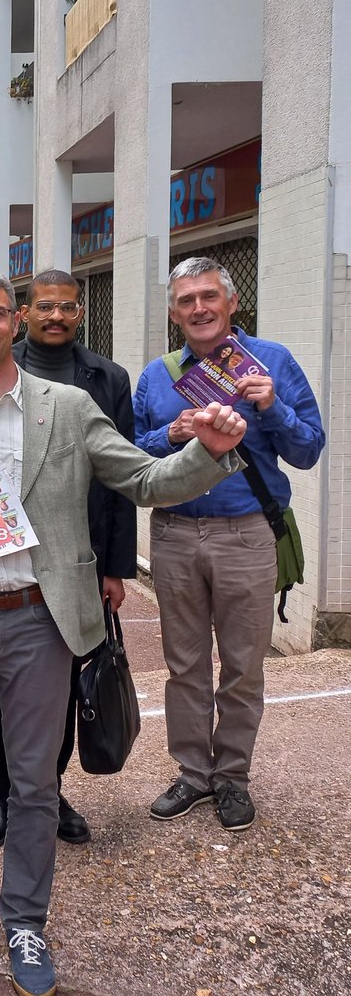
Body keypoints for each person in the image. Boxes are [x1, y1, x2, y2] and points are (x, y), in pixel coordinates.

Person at [0, 266, 248, 996]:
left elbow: (143, 480)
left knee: (37, 783)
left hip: (39, 622)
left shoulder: (69, 408)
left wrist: (206, 450)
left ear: (13, 322)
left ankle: (24, 922)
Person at [134, 257, 325, 832]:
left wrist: (273, 406)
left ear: (231, 301)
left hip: (246, 532)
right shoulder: (157, 375)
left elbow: (310, 449)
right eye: (186, 300)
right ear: (173, 313)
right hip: (173, 531)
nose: (198, 308)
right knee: (184, 664)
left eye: (208, 296)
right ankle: (194, 774)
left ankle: (233, 777)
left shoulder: (273, 363)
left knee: (243, 666)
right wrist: (173, 432)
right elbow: (132, 453)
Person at [0, 269, 137, 849]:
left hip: (77, 558)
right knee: (1, 687)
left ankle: (48, 786)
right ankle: (1, 791)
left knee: (66, 686)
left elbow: (123, 477)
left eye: (68, 308)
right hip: (6, 558)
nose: (56, 317)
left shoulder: (108, 380)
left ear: (79, 314)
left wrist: (116, 567)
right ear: (24, 313)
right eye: (45, 306)